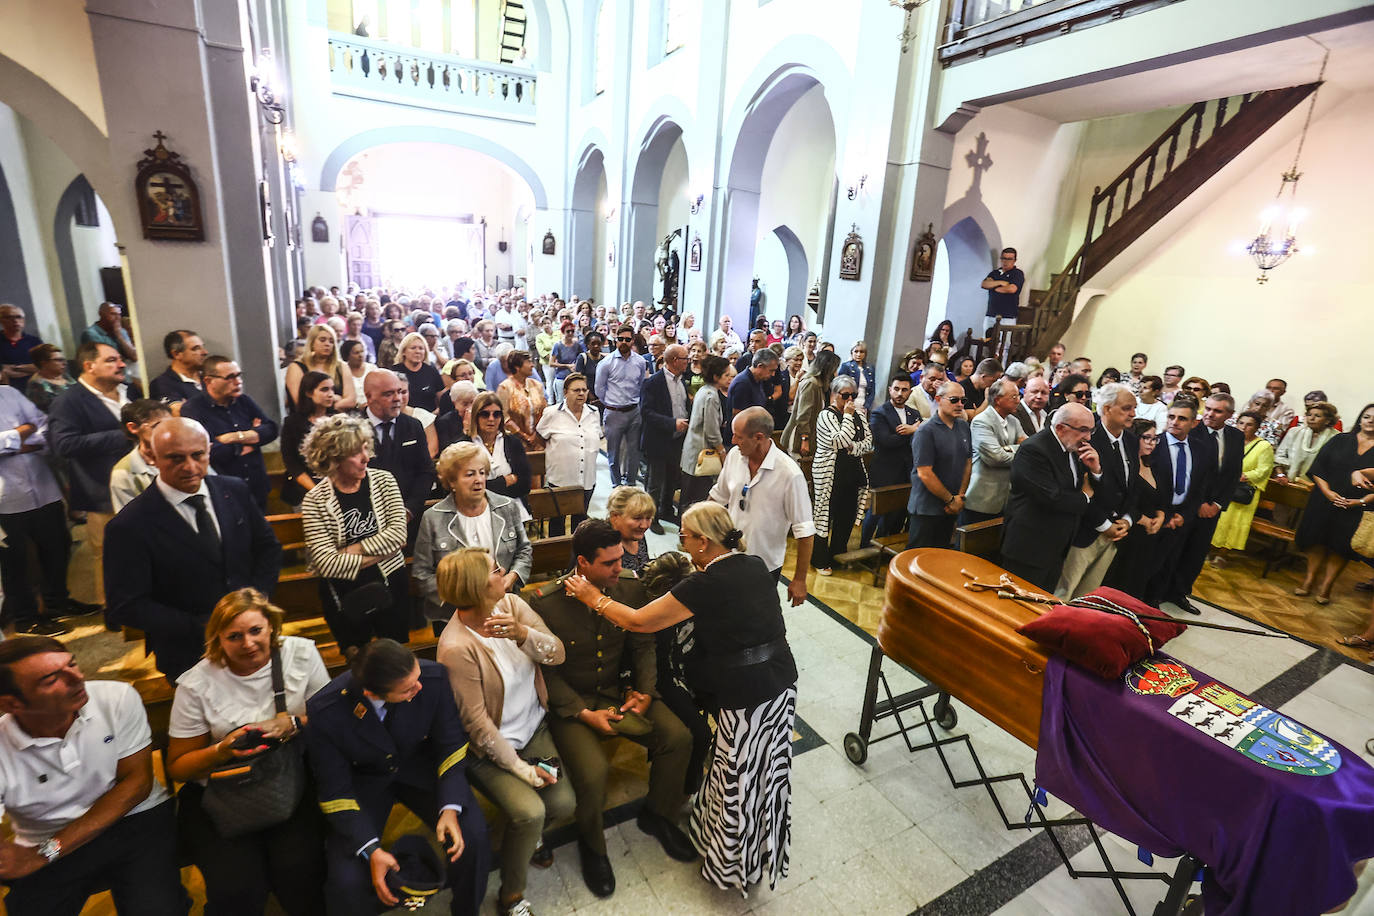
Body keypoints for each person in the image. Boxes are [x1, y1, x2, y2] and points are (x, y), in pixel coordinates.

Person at [560, 504, 797, 893]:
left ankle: (733, 863)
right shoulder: (754, 563)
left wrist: (592, 597)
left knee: (738, 776)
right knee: (765, 771)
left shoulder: (705, 583)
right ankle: (756, 841)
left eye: (684, 535)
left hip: (747, 693)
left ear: (704, 541)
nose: (681, 542)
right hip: (781, 683)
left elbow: (640, 622)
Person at [531, 520, 696, 897]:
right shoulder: (546, 602)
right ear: (583, 563)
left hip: (617, 693)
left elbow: (643, 645)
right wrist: (581, 712)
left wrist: (645, 691)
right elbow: (542, 673)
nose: (619, 568)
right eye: (609, 564)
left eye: (620, 559)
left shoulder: (630, 589)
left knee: (678, 737)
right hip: (573, 705)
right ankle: (593, 848)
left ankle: (659, 814)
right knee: (593, 773)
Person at [164, 589, 328, 915]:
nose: (248, 643)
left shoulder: (301, 655)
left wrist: (292, 722)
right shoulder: (197, 684)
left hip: (289, 783)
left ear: (271, 627)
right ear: (218, 640)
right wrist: (222, 750)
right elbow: (179, 768)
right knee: (237, 888)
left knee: (300, 872)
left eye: (256, 631)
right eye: (234, 636)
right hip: (222, 793)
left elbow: (331, 721)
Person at [305, 639, 491, 916]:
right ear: (371, 693)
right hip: (364, 782)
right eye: (408, 689)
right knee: (346, 880)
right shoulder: (326, 711)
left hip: (417, 766)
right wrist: (372, 850)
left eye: (417, 678)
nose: (419, 688)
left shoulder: (432, 677)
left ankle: (467, 910)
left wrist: (450, 807)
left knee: (472, 836)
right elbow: (335, 790)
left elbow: (450, 744)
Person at [0, 637, 185, 915]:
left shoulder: (116, 698)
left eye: (72, 664)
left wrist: (46, 853)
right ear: (11, 703)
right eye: (51, 679)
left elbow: (137, 785)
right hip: (44, 834)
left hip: (133, 817)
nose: (77, 678)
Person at [435, 549, 573, 916]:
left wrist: (523, 634)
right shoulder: (456, 647)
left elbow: (556, 654)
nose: (505, 573)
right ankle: (511, 895)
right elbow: (477, 725)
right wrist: (521, 770)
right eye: (497, 570)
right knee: (530, 812)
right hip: (490, 750)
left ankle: (524, 835)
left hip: (533, 729)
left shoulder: (511, 605)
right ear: (478, 588)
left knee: (562, 804)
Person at [104, 417, 281, 679]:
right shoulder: (129, 525)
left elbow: (268, 548)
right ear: (152, 456)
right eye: (175, 458)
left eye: (198, 455)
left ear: (209, 450)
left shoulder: (233, 490)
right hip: (188, 652)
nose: (190, 467)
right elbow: (126, 604)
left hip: (253, 641)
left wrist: (254, 604)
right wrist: (208, 626)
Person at [300, 415, 411, 651]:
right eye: (355, 453)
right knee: (357, 662)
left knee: (397, 656)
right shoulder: (315, 500)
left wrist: (350, 550)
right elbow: (327, 564)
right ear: (333, 459)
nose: (366, 458)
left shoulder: (384, 481)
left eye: (365, 448)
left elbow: (399, 535)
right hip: (344, 592)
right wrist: (384, 551)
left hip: (390, 583)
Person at [0, 386, 97, 636]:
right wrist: (22, 432)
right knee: (16, 561)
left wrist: (17, 441)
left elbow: (44, 427)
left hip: (43, 487)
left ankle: (56, 602)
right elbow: (30, 428)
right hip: (6, 498)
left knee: (58, 545)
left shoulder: (10, 392)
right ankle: (25, 618)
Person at [48, 341, 132, 610]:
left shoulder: (128, 390)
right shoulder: (69, 401)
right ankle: (114, 611)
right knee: (109, 553)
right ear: (89, 366)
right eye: (111, 360)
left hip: (141, 481)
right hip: (102, 488)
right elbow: (64, 444)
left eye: (120, 359)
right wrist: (125, 434)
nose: (121, 364)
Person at [414, 442, 531, 620]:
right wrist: (462, 598)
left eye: (482, 472)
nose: (479, 479)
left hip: (504, 605)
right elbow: (422, 573)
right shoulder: (433, 518)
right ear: (452, 481)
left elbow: (524, 550)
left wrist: (510, 578)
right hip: (454, 615)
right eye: (470, 474)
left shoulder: (506, 507)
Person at [710, 407, 814, 605]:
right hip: (726, 556)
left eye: (738, 437)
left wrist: (800, 579)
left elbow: (805, 531)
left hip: (763, 567)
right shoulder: (734, 456)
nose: (732, 441)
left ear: (758, 437)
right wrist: (696, 527)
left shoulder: (790, 475)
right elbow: (717, 497)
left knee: (753, 621)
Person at [998, 403, 1102, 591]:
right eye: (1083, 430)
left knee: (1043, 606)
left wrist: (1095, 471)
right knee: (1020, 608)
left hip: (1057, 546)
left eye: (1091, 431)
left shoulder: (1072, 447)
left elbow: (1080, 486)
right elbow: (1052, 498)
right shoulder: (1034, 450)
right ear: (1061, 428)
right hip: (1030, 547)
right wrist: (1085, 496)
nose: (1088, 438)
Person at [1162, 393, 1243, 613]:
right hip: (1188, 505)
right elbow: (1194, 474)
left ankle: (1179, 593)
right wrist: (1197, 503)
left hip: (1213, 508)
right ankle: (1159, 591)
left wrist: (1217, 503)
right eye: (1208, 408)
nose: (1209, 414)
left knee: (1196, 553)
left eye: (1217, 411)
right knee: (1174, 550)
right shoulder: (1191, 431)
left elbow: (1233, 474)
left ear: (1229, 414)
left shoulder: (1235, 436)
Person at [1056, 383, 1138, 599]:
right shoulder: (1087, 437)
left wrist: (1128, 519)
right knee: (1064, 591)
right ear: (1107, 408)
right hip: (1087, 528)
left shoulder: (1130, 439)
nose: (1133, 413)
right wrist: (1104, 525)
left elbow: (1132, 486)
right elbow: (1083, 488)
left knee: (1088, 594)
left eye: (1134, 408)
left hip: (1116, 532)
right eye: (1127, 408)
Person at [1293, 404, 1374, 605]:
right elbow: (1319, 468)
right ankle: (1309, 579)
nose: (1370, 420)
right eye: (1366, 416)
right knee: (1316, 539)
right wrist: (1328, 493)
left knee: (1342, 546)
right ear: (1360, 419)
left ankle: (1327, 585)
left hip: (1358, 506)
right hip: (1324, 499)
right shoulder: (1340, 439)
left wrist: (1361, 501)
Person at [181, 355, 279, 510]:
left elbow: (271, 429)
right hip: (225, 492)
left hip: (257, 485)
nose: (238, 381)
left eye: (239, 375)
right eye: (230, 377)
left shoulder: (243, 401)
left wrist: (235, 437)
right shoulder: (193, 409)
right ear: (208, 381)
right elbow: (208, 451)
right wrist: (249, 441)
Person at [1141, 398, 1212, 609]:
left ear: (1194, 423)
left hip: (1181, 517)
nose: (1175, 422)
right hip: (1155, 515)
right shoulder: (1154, 444)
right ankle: (1136, 600)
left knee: (1169, 562)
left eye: (1182, 418)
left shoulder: (1201, 449)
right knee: (1146, 563)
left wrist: (1185, 515)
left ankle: (1154, 602)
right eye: (1171, 417)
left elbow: (1199, 488)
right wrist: (1164, 514)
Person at [361, 370, 437, 548]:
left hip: (409, 520)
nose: (398, 399)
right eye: (388, 394)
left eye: (400, 392)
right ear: (369, 396)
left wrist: (409, 510)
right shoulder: (353, 428)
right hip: (367, 523)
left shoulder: (413, 425)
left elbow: (425, 471)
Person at [809, 375, 871, 574]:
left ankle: (837, 555)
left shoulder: (858, 414)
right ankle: (819, 559)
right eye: (845, 395)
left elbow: (868, 441)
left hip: (851, 472)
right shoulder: (826, 415)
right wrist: (847, 416)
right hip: (829, 472)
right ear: (834, 394)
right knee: (824, 516)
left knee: (845, 516)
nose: (850, 400)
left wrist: (853, 448)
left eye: (854, 395)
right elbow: (839, 441)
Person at [906, 380, 973, 550]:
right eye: (954, 400)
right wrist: (950, 499)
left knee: (940, 558)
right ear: (938, 399)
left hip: (951, 506)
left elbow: (967, 462)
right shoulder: (926, 431)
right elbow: (925, 473)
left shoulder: (963, 427)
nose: (959, 405)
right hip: (927, 508)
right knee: (918, 560)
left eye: (963, 401)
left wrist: (960, 497)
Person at [1104, 419, 1168, 597]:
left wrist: (1161, 516)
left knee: (1137, 580)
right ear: (1134, 438)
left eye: (1155, 438)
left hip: (1149, 535)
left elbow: (1162, 499)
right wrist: (1143, 519)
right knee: (1118, 580)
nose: (1151, 442)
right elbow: (1122, 500)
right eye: (1146, 437)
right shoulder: (1124, 465)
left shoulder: (1153, 465)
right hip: (1127, 531)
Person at [1209, 410, 1277, 567]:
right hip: (1223, 486)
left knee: (1234, 524)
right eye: (1241, 423)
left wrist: (1244, 475)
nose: (1244, 427)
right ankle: (1209, 550)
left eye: (1249, 424)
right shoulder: (1229, 440)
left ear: (1257, 427)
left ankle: (1222, 555)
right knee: (1217, 521)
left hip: (1242, 489)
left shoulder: (1264, 446)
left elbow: (1264, 469)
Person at [860, 374, 921, 546]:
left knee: (895, 514)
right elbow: (885, 440)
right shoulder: (880, 413)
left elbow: (920, 440)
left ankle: (881, 546)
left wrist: (913, 431)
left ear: (910, 392)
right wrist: (913, 431)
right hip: (885, 469)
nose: (900, 393)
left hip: (906, 470)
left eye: (904, 390)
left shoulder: (913, 413)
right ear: (890, 390)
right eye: (896, 389)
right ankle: (864, 545)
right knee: (876, 512)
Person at [536, 372, 600, 536]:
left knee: (580, 524)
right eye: (576, 390)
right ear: (565, 392)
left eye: (584, 390)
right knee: (557, 524)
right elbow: (540, 437)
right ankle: (558, 559)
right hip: (561, 479)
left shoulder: (593, 413)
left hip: (586, 479)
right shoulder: (552, 413)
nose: (581, 393)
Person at [640, 343, 690, 533]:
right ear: (674, 361)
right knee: (655, 482)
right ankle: (650, 517)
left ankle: (666, 510)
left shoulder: (681, 380)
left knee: (672, 478)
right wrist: (672, 423)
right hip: (658, 439)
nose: (688, 362)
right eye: (685, 358)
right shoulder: (653, 383)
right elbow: (646, 412)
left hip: (677, 439)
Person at [962, 377, 1024, 524]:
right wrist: (1017, 448)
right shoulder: (981, 421)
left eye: (1018, 396)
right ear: (998, 400)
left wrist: (1007, 449)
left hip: (1006, 499)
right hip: (981, 499)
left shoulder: (1014, 421)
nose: (1018, 400)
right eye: (1013, 396)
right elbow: (996, 458)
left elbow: (1029, 450)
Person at [595, 325, 648, 488]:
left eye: (627, 339)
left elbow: (640, 385)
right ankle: (616, 484)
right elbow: (599, 389)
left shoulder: (640, 362)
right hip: (614, 412)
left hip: (633, 411)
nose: (623, 342)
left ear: (633, 341)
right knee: (614, 452)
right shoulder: (606, 363)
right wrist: (611, 404)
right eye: (620, 339)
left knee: (634, 452)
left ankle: (631, 482)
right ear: (616, 340)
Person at [679, 355, 732, 510]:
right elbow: (711, 431)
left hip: (694, 451)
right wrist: (722, 451)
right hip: (701, 454)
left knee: (689, 498)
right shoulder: (711, 396)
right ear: (716, 377)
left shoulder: (704, 390)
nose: (729, 379)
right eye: (726, 375)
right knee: (696, 502)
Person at [280, 371, 336, 507]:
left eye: (332, 389)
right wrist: (316, 491)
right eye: (324, 389)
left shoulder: (339, 419)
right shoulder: (292, 423)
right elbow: (291, 462)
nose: (330, 394)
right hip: (304, 489)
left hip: (337, 486)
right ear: (309, 393)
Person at [109, 399, 171, 513]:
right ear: (133, 428)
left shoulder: (187, 453)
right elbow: (129, 519)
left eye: (170, 425)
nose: (167, 431)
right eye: (157, 426)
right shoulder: (124, 472)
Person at [469, 391, 532, 504]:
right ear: (475, 416)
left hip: (513, 506)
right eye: (485, 414)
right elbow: (466, 488)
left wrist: (487, 486)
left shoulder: (513, 443)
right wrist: (504, 481)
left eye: (496, 414)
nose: (491, 419)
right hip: (476, 508)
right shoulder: (465, 444)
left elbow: (524, 485)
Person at [780, 349, 840, 459]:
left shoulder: (819, 384)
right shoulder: (811, 383)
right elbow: (803, 415)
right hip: (798, 437)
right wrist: (805, 439)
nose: (835, 372)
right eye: (833, 369)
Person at [286, 325, 358, 412]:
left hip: (338, 419)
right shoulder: (296, 367)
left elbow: (351, 401)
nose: (327, 344)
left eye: (331, 341)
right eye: (322, 340)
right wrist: (336, 398)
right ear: (312, 343)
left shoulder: (342, 366)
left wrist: (326, 407)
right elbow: (301, 402)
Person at [1275, 400, 1339, 482]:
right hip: (1287, 482)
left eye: (1317, 416)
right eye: (1309, 415)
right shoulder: (1294, 432)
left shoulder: (1336, 438)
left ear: (1328, 420)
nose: (1312, 418)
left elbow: (1334, 467)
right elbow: (1279, 457)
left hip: (1317, 487)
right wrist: (1281, 474)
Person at [148, 329, 207, 406]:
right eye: (196, 348)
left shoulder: (211, 376)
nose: (205, 352)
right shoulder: (163, 384)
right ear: (176, 354)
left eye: (203, 347)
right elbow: (178, 413)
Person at [392, 331, 445, 413]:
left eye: (421, 348)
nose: (418, 351)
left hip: (430, 418)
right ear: (404, 352)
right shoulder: (394, 372)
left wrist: (436, 413)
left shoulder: (431, 371)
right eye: (413, 348)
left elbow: (442, 400)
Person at [80, 302, 138, 371]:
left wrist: (119, 336)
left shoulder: (121, 331)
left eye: (119, 315)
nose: (117, 318)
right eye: (113, 314)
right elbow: (106, 359)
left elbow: (134, 357)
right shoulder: (91, 333)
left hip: (124, 375)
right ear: (101, 314)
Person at [0, 304, 44, 391]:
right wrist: (28, 368)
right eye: (9, 317)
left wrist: (14, 368)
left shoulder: (34, 341)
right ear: (1, 320)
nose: (15, 320)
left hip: (34, 389)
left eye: (19, 317)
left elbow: (44, 366)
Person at [22, 343, 76, 413]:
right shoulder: (37, 385)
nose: (64, 363)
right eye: (58, 360)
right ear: (44, 363)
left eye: (63, 359)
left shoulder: (66, 376)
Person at [981, 248, 1024, 329]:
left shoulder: (1017, 274)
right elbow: (984, 284)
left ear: (1014, 260)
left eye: (1009, 259)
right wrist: (1000, 283)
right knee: (986, 340)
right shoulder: (994, 273)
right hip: (991, 315)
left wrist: (993, 287)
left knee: (1004, 341)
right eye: (1004, 258)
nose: (1006, 261)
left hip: (1007, 317)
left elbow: (1012, 289)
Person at [836, 340, 876, 412]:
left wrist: (867, 405)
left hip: (864, 405)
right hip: (850, 403)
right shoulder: (846, 366)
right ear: (852, 352)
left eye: (861, 352)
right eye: (856, 351)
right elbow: (839, 387)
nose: (858, 354)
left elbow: (872, 390)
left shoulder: (870, 368)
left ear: (865, 354)